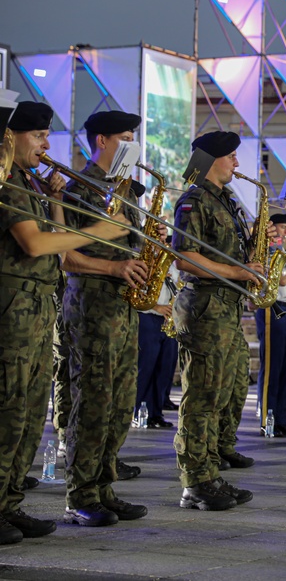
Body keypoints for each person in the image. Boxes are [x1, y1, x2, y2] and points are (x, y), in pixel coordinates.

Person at [0, 101, 128, 544]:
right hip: (13, 311)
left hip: (37, 309)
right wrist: (100, 232)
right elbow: (36, 245)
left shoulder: (30, 183)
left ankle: (10, 504)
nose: (46, 144)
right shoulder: (7, 184)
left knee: (30, 415)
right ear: (10, 137)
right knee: (8, 412)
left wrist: (54, 200)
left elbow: (54, 242)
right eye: (37, 135)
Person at [171, 131, 270, 511]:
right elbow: (185, 257)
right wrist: (240, 270)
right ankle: (195, 481)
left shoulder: (225, 199)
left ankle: (210, 473)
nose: (237, 164)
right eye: (231, 156)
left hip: (225, 308)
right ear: (211, 159)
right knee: (202, 398)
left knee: (221, 398)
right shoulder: (194, 200)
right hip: (205, 308)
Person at [60, 110, 150, 527]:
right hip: (92, 307)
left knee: (119, 404)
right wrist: (115, 269)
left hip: (124, 308)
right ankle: (80, 494)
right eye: (125, 138)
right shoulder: (76, 188)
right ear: (101, 141)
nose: (133, 146)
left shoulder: (126, 190)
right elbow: (66, 256)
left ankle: (104, 488)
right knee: (93, 402)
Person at [254, 213, 286, 437]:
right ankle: (267, 420)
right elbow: (281, 280)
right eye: (281, 227)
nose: (285, 232)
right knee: (272, 367)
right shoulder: (268, 254)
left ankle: (281, 419)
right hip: (272, 309)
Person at [134, 263, 180, 429]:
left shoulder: (172, 262)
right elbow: (135, 291)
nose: (163, 238)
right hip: (149, 317)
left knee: (164, 368)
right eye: (159, 234)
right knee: (145, 368)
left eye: (163, 235)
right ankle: (137, 412)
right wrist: (155, 306)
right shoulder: (143, 260)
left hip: (169, 318)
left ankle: (155, 413)